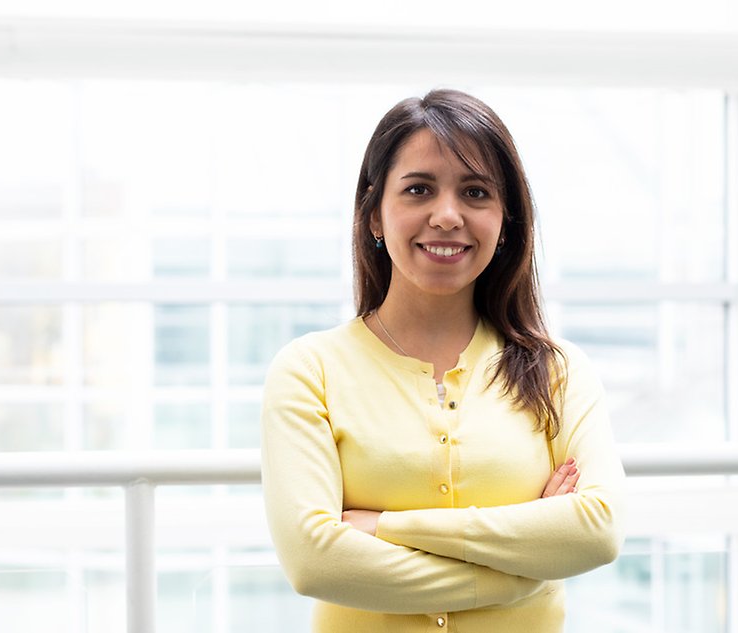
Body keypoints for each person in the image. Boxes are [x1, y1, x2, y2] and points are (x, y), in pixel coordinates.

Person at [260, 89, 626, 632]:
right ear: (375, 217)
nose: (448, 216)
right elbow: (316, 562)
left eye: (476, 192)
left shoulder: (557, 370)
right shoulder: (309, 370)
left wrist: (382, 528)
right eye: (418, 190)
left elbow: (597, 531)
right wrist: (522, 571)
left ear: (505, 223)